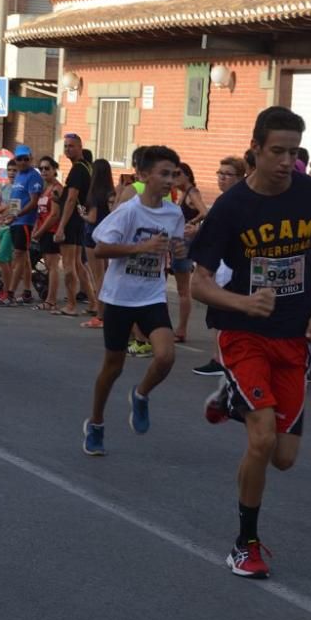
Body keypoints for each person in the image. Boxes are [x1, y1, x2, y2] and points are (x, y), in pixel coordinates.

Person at [191, 107, 311, 578]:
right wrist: (242, 304)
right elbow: (199, 284)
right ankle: (245, 543)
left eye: (293, 152)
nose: (285, 161)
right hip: (243, 335)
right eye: (276, 151)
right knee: (261, 439)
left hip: (294, 335)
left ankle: (229, 397)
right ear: (254, 149)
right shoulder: (232, 207)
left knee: (284, 458)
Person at [83, 145, 186, 456]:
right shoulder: (128, 211)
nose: (170, 180)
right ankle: (96, 422)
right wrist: (140, 248)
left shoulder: (174, 212)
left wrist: (179, 251)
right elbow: (100, 249)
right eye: (163, 174)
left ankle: (141, 394)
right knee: (113, 367)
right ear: (143, 175)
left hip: (151, 294)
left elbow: (176, 245)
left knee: (166, 356)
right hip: (119, 297)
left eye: (173, 174)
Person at [193, 156, 246, 377]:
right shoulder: (222, 202)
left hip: (232, 267)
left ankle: (224, 359)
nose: (222, 178)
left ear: (240, 177)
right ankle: (220, 357)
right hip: (218, 267)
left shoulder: (241, 202)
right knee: (217, 314)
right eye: (220, 173)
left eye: (228, 174)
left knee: (226, 314)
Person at [55, 134, 97, 317]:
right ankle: (93, 303)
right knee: (79, 264)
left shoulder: (78, 170)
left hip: (72, 221)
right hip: (80, 220)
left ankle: (71, 304)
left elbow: (72, 199)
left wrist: (61, 226)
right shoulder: (86, 167)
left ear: (80, 147)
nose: (67, 149)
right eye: (65, 146)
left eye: (71, 146)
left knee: (69, 264)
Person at [0, 145, 43, 307]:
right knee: (22, 259)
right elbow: (15, 201)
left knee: (19, 258)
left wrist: (18, 215)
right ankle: (25, 292)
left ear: (30, 158)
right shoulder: (19, 177)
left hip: (25, 222)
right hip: (16, 221)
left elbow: (34, 201)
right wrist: (8, 216)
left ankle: (10, 294)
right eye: (19, 159)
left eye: (25, 159)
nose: (22, 162)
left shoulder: (33, 176)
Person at [172, 162, 208, 342]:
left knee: (183, 290)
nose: (174, 177)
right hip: (180, 241)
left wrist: (191, 223)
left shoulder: (192, 193)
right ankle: (179, 329)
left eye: (177, 174)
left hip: (184, 243)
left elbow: (204, 212)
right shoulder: (185, 193)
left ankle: (181, 330)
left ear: (187, 175)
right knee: (182, 289)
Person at [79, 159, 115, 329]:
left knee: (97, 276)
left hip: (92, 235)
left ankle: (100, 315)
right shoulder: (111, 193)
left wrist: (82, 214)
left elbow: (92, 218)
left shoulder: (94, 194)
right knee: (107, 275)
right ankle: (107, 312)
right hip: (107, 235)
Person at [29, 157, 64, 310]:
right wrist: (36, 229)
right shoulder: (45, 188)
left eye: (47, 168)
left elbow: (54, 214)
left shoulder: (56, 188)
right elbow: (41, 213)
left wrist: (41, 231)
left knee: (53, 266)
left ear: (54, 169)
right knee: (50, 266)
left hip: (51, 231)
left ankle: (51, 300)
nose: (43, 171)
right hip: (43, 231)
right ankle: (49, 299)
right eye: (41, 168)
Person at [0, 159, 18, 301]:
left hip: (12, 228)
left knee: (1, 258)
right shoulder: (4, 188)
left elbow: (15, 210)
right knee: (9, 261)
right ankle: (8, 291)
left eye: (15, 170)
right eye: (10, 170)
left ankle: (8, 291)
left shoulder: (19, 189)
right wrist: (4, 209)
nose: (12, 173)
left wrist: (3, 211)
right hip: (3, 226)